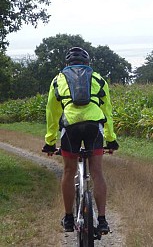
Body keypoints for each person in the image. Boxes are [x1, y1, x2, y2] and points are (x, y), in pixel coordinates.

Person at [42, 46, 119, 234]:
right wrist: (111, 139)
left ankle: (68, 218)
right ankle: (102, 220)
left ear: (67, 63)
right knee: (97, 172)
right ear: (87, 63)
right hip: (94, 126)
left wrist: (50, 141)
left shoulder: (57, 80)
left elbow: (52, 113)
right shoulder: (98, 79)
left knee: (69, 171)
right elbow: (107, 111)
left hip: (70, 127)